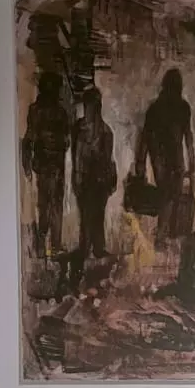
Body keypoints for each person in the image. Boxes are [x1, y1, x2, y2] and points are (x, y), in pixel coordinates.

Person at [134, 68, 195, 251]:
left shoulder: (165, 107)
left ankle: (165, 235)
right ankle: (162, 237)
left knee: (170, 195)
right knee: (168, 195)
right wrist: (191, 161)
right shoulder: (170, 107)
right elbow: (146, 136)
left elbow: (187, 136)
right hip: (166, 157)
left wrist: (141, 162)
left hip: (164, 157)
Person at [21, 71, 70, 257]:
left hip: (49, 164)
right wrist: (27, 160)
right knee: (49, 204)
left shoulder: (44, 111)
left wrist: (28, 160)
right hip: (49, 164)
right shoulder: (50, 112)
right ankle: (48, 245)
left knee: (49, 204)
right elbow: (31, 138)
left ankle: (48, 245)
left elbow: (30, 138)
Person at [71, 86, 116, 262]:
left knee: (98, 214)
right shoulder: (78, 128)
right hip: (84, 178)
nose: (90, 109)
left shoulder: (106, 131)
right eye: (88, 105)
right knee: (85, 214)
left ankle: (97, 248)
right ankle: (85, 248)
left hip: (99, 180)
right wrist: (76, 176)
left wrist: (111, 179)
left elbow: (108, 158)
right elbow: (75, 155)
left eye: (94, 106)